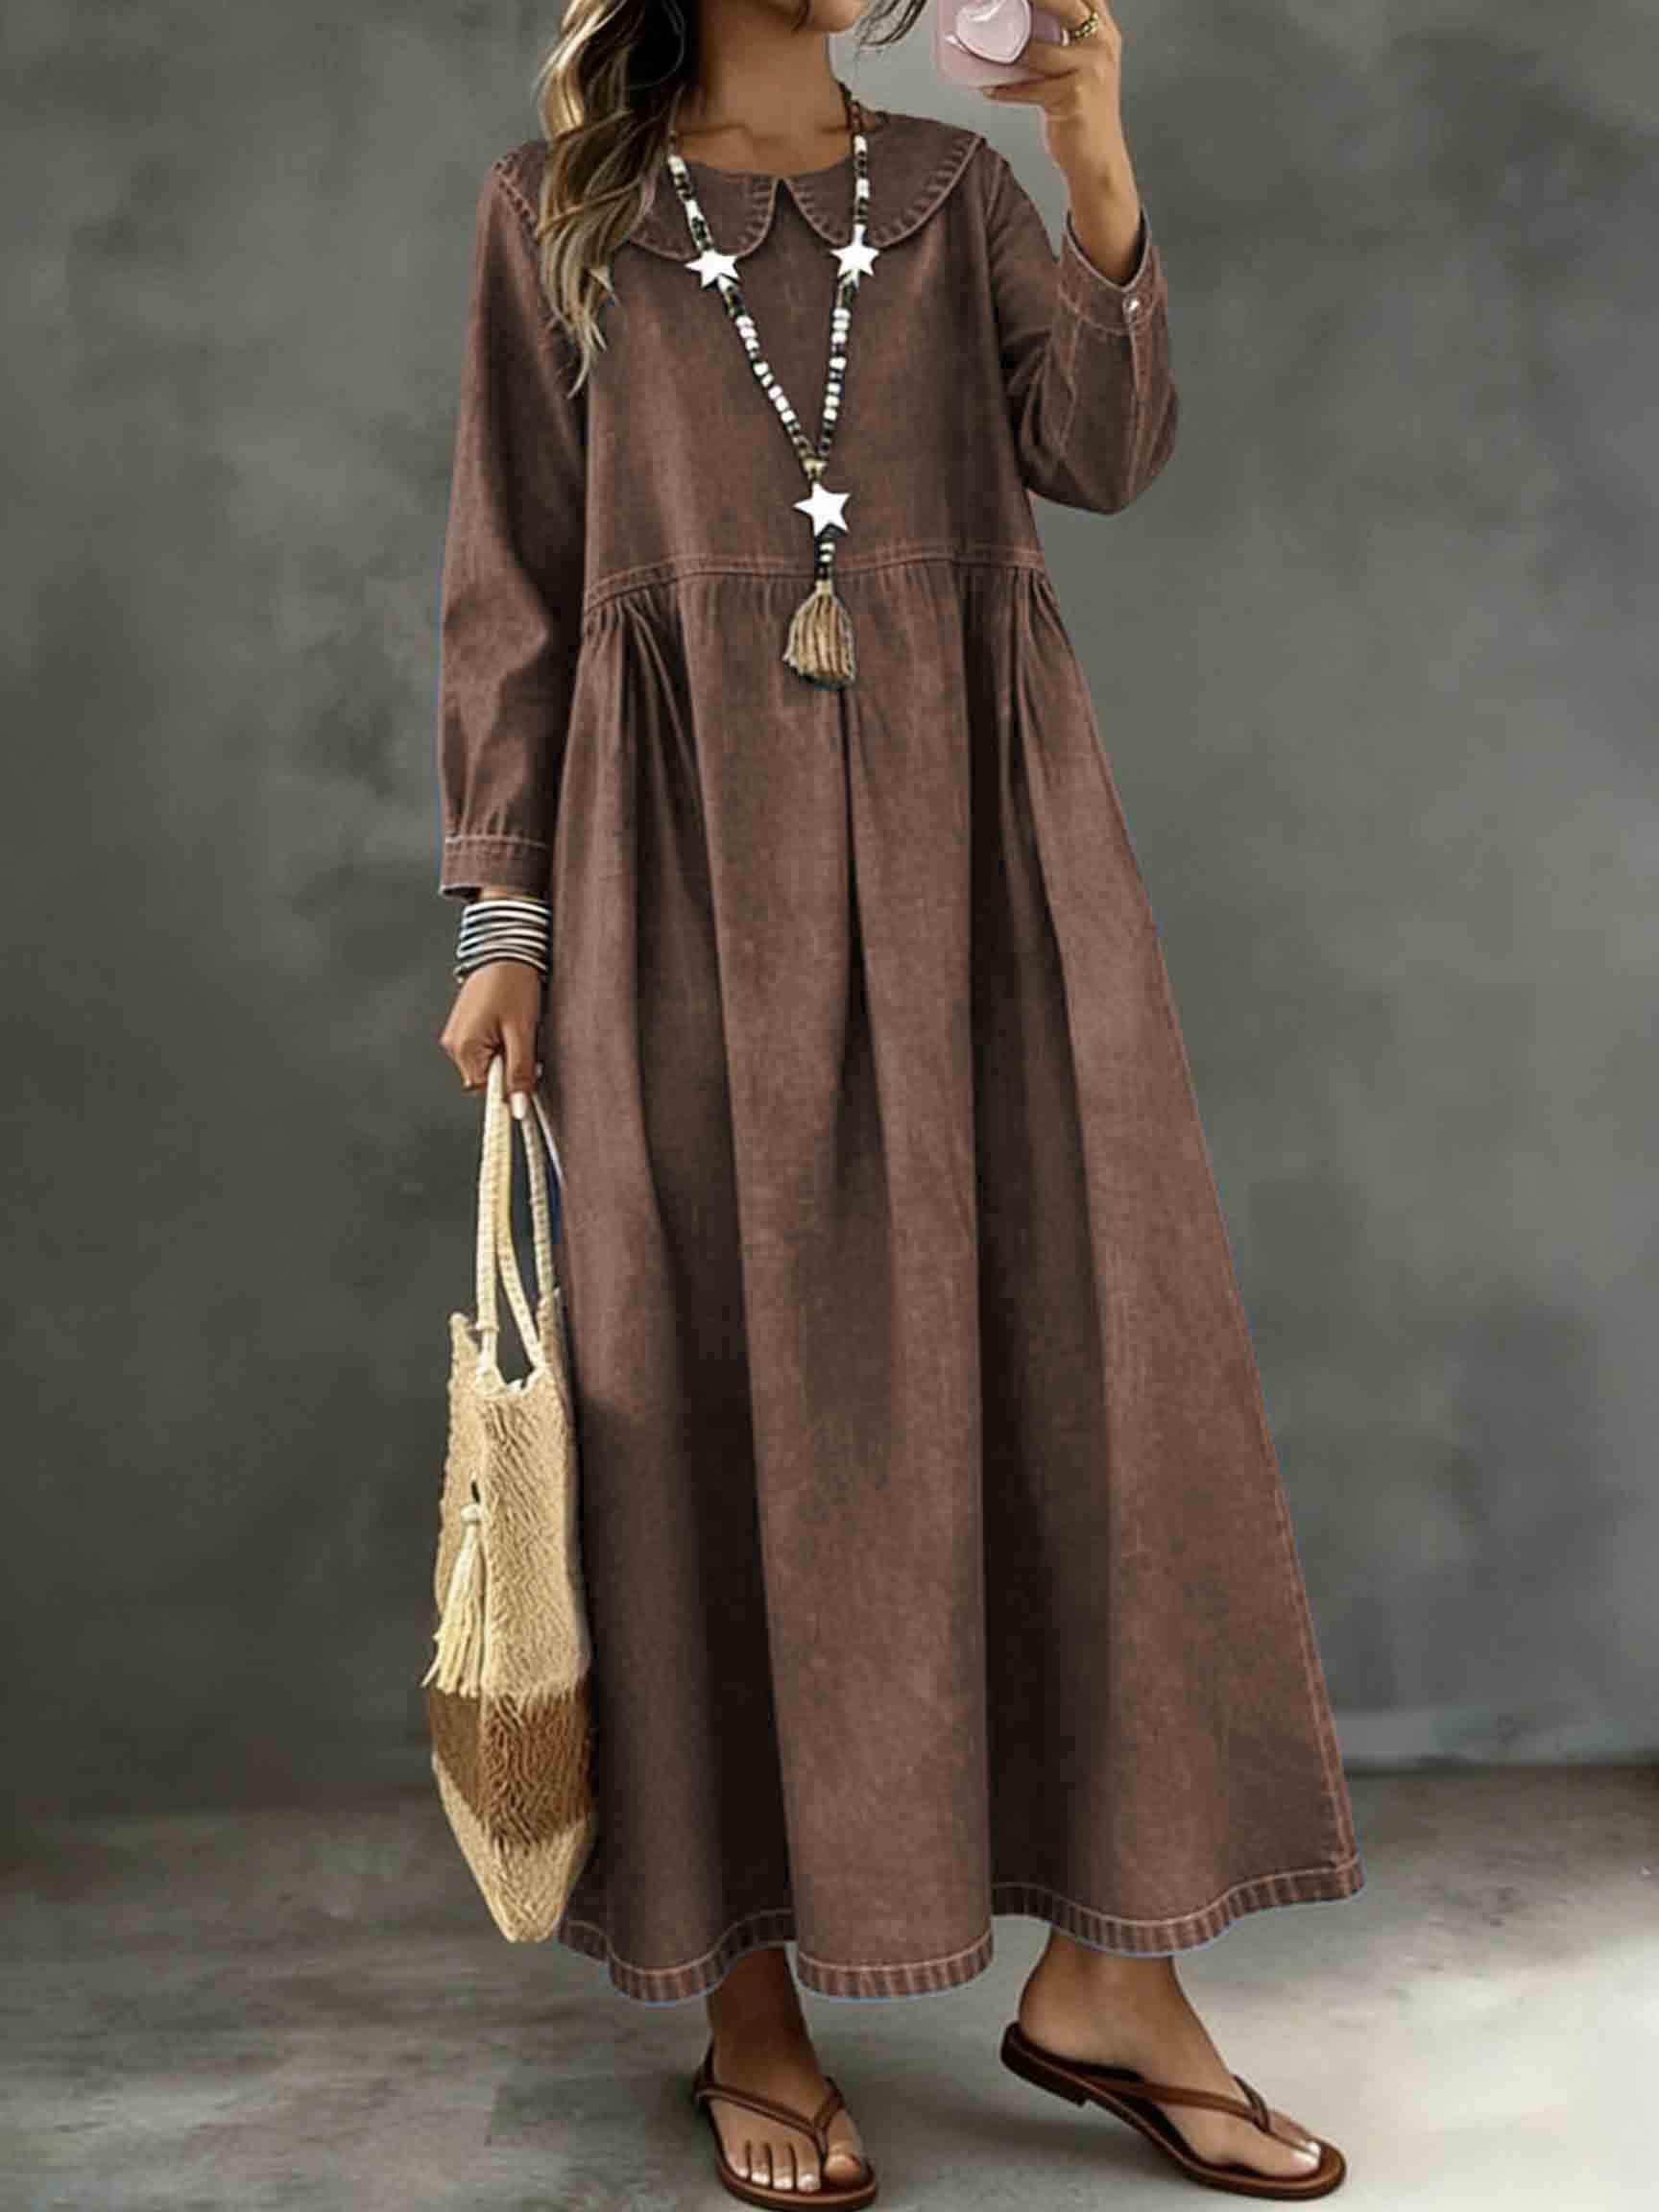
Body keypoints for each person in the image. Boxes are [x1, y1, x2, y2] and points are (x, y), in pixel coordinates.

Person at [433, 1, 1363, 2201]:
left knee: (1081, 1357)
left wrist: (1098, 153)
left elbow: (1105, 448)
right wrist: (504, 922)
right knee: (706, 1395)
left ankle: (1113, 1972)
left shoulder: (950, 196)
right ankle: (748, 1997)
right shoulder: (563, 217)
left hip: (989, 867)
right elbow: (514, 577)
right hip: (682, 876)